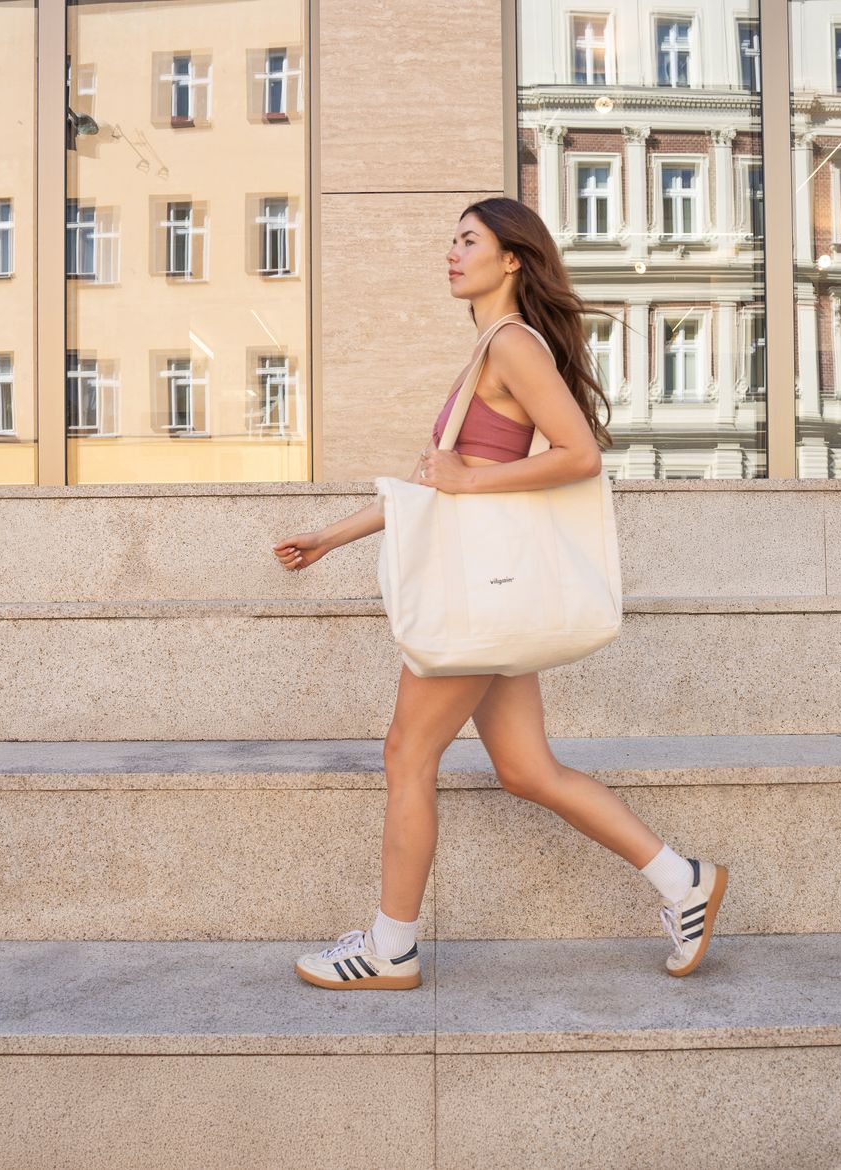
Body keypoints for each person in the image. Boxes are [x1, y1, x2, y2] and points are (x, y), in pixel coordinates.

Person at [272, 197, 728, 989]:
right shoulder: (490, 346)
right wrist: (330, 536)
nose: (451, 253)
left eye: (468, 241)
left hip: (479, 597)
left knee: (406, 755)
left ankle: (391, 948)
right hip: (495, 595)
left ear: (511, 258)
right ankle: (683, 881)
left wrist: (462, 480)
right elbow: (438, 487)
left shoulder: (512, 344)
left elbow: (579, 456)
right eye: (450, 241)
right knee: (525, 769)